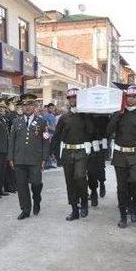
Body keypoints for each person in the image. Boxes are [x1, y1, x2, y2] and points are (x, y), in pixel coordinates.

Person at [106, 86, 136, 228]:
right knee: (121, 187)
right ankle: (123, 215)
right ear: (125, 98)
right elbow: (108, 131)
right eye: (129, 96)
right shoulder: (118, 114)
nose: (131, 99)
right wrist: (118, 116)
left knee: (135, 182)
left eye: (134, 97)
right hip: (120, 155)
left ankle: (134, 206)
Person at [51, 88, 94, 221]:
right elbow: (56, 136)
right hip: (67, 152)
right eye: (70, 98)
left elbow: (91, 131)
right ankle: (74, 209)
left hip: (81, 152)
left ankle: (85, 203)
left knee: (80, 178)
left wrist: (85, 114)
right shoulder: (64, 117)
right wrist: (56, 155)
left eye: (75, 98)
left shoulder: (86, 115)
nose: (72, 100)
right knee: (70, 182)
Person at [8, 94, 49, 220]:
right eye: (25, 105)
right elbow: (12, 141)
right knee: (21, 186)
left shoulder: (42, 122)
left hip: (35, 159)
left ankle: (37, 199)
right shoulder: (16, 121)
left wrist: (44, 158)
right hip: (19, 159)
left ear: (34, 106)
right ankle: (25, 210)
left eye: (30, 105)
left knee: (36, 184)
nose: (27, 107)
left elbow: (45, 141)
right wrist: (10, 158)